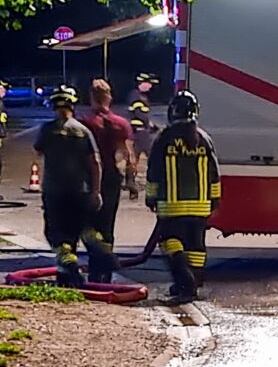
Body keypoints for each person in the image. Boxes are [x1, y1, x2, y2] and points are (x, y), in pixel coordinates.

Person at [34, 84, 116, 287]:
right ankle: (102, 251)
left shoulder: (47, 130)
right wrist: (96, 192)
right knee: (84, 228)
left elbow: (38, 151)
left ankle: (70, 272)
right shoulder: (83, 131)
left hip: (54, 193)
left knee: (58, 236)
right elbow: (95, 163)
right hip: (80, 191)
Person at [146, 90, 221, 302]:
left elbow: (154, 170)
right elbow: (214, 172)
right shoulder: (204, 139)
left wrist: (151, 197)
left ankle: (185, 283)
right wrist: (214, 200)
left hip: (172, 206)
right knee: (195, 247)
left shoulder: (164, 138)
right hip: (200, 206)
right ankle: (192, 283)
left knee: (169, 242)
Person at [79, 79, 135, 283]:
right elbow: (128, 155)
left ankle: (97, 266)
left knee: (87, 226)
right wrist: (131, 181)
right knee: (107, 225)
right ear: (109, 97)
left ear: (91, 97)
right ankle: (106, 274)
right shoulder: (121, 124)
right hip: (112, 178)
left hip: (88, 180)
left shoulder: (84, 123)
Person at [126, 72, 159, 200]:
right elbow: (140, 115)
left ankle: (131, 185)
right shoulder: (137, 97)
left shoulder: (139, 96)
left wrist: (151, 125)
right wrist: (148, 125)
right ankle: (133, 185)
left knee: (135, 159)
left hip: (142, 132)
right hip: (139, 133)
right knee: (149, 158)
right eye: (149, 84)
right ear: (142, 83)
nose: (150, 87)